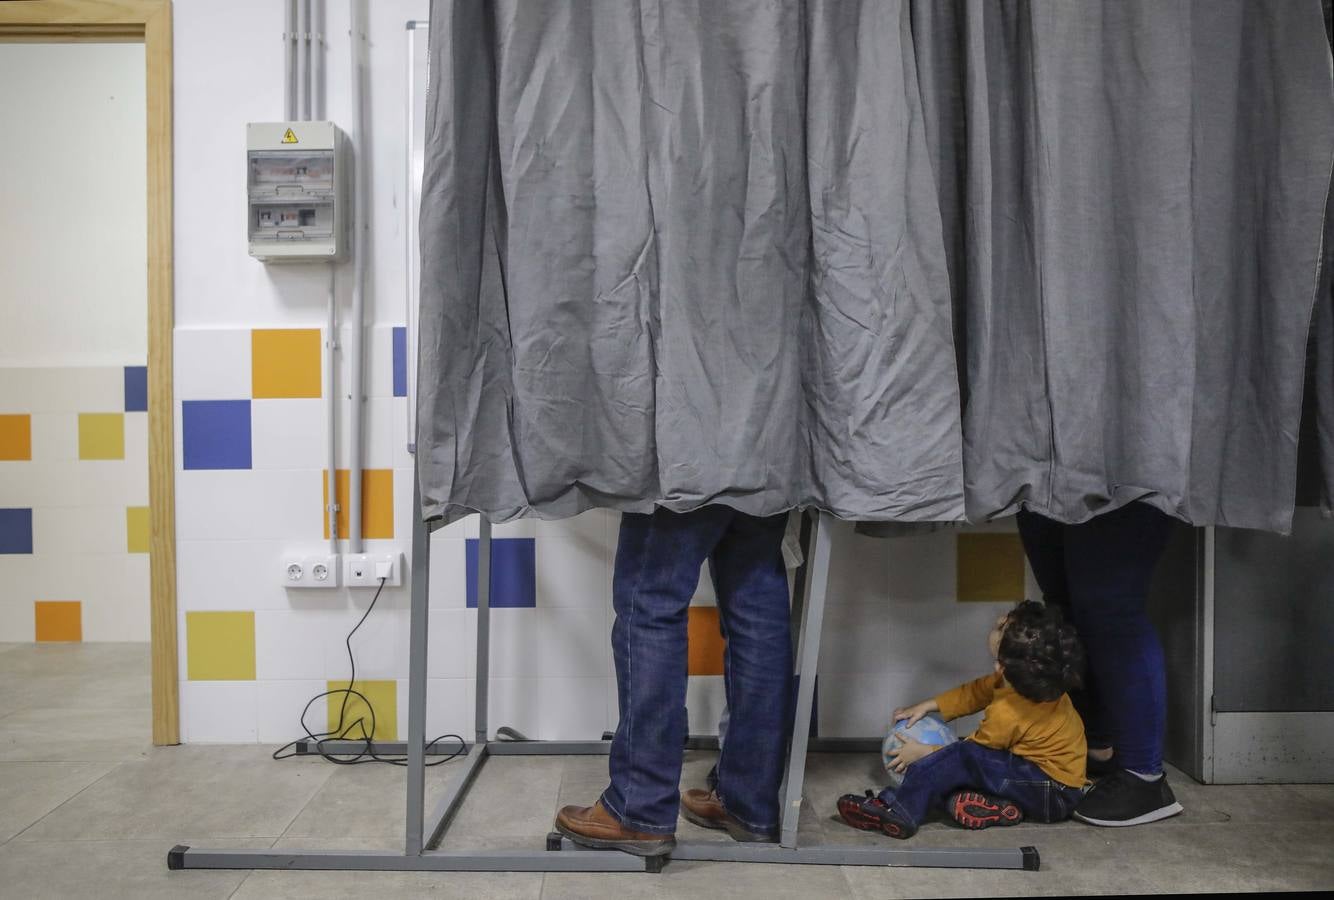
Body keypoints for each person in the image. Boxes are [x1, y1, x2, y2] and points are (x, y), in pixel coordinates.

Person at [554, 507, 793, 856]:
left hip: (688, 462)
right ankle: (749, 802)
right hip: (771, 464)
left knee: (652, 600)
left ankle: (639, 809)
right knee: (755, 604)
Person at [836, 601, 1087, 839]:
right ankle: (999, 807)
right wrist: (929, 705)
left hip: (1052, 793)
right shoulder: (1031, 681)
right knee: (956, 779)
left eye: (1001, 628)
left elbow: (971, 756)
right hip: (1041, 784)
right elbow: (976, 692)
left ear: (1001, 666)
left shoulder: (1009, 712)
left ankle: (899, 809)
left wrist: (926, 753)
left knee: (961, 760)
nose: (998, 621)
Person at [1016, 502, 1184, 826]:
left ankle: (1145, 779)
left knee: (1111, 604)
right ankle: (1093, 749)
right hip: (1047, 466)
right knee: (1065, 602)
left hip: (1122, 474)